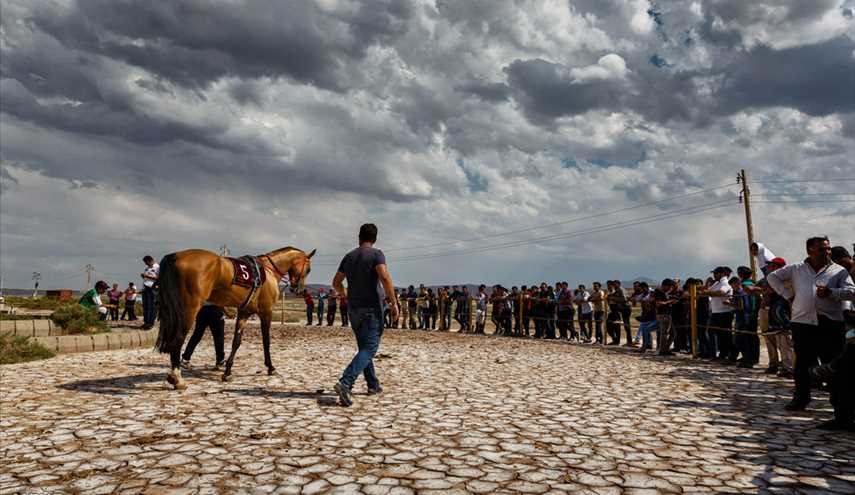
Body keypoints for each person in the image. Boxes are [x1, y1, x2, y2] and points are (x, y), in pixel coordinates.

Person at [767, 236, 854, 413]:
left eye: (828, 248)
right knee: (803, 364)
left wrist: (832, 292)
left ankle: (840, 409)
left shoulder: (839, 271)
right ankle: (800, 399)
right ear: (810, 250)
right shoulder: (797, 268)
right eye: (822, 249)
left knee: (832, 365)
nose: (827, 252)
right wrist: (787, 295)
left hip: (830, 323)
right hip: (803, 322)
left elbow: (852, 292)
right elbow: (772, 277)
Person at [331, 223, 398, 407]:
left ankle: (373, 385)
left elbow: (336, 281)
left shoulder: (349, 256)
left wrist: (344, 294)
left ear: (359, 237)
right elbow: (384, 277)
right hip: (371, 308)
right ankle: (346, 382)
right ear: (375, 239)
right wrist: (393, 303)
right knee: (370, 348)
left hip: (354, 309)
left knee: (364, 347)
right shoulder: (377, 254)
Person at [181, 303, 226, 369]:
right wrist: (226, 311)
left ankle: (185, 358)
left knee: (196, 336)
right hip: (215, 309)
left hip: (202, 309)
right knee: (219, 337)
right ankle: (220, 360)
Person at [702, 267, 734, 361]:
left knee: (724, 335)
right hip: (716, 312)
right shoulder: (717, 283)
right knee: (717, 334)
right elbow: (708, 291)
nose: (714, 275)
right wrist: (708, 290)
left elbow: (721, 292)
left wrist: (708, 292)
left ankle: (727, 354)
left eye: (715, 273)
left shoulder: (725, 283)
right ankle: (719, 354)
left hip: (724, 312)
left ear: (721, 274)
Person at [653, 279, 678, 356]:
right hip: (663, 315)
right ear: (665, 286)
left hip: (667, 314)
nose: (671, 289)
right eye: (670, 287)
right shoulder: (658, 292)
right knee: (663, 334)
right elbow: (658, 304)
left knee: (673, 333)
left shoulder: (665, 293)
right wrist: (670, 302)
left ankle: (665, 349)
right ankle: (661, 351)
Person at [140, 255, 159, 329]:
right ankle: (146, 322)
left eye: (146, 262)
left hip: (153, 288)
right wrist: (144, 276)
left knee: (152, 306)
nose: (145, 264)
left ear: (150, 260)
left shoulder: (157, 267)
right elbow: (146, 277)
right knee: (146, 306)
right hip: (145, 287)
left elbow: (159, 278)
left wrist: (147, 276)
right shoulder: (147, 268)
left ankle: (150, 323)